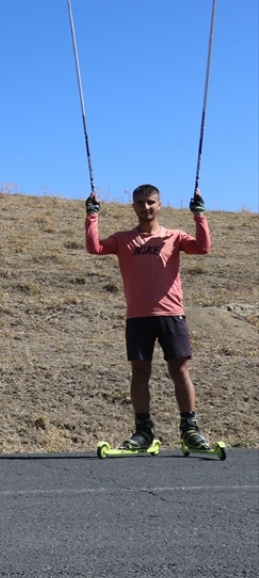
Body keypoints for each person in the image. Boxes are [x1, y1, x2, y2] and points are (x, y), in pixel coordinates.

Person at [85, 185, 214, 451]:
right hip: (138, 317)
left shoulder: (174, 237)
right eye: (140, 203)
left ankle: (190, 429)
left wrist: (199, 215)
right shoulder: (123, 239)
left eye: (151, 202)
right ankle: (143, 431)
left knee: (180, 371)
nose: (146, 207)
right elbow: (94, 248)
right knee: (140, 373)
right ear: (133, 206)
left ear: (160, 204)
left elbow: (203, 248)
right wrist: (92, 215)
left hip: (171, 315)